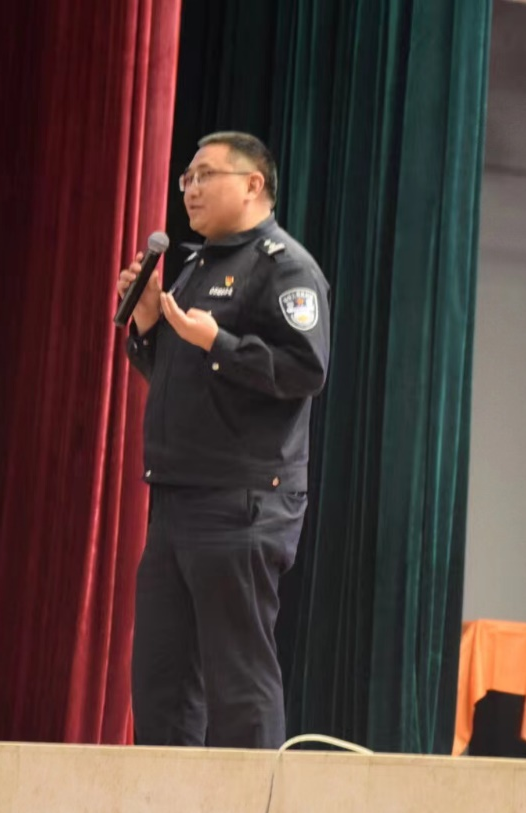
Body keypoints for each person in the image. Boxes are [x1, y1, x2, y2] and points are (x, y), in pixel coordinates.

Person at [117, 131, 331, 749]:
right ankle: (168, 806)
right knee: (160, 684)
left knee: (238, 683)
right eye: (187, 178)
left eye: (206, 175)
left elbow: (305, 370)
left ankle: (252, 808)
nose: (190, 188)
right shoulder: (195, 266)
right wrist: (150, 325)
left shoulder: (285, 268)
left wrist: (220, 342)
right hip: (176, 500)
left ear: (253, 184)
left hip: (242, 502)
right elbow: (183, 376)